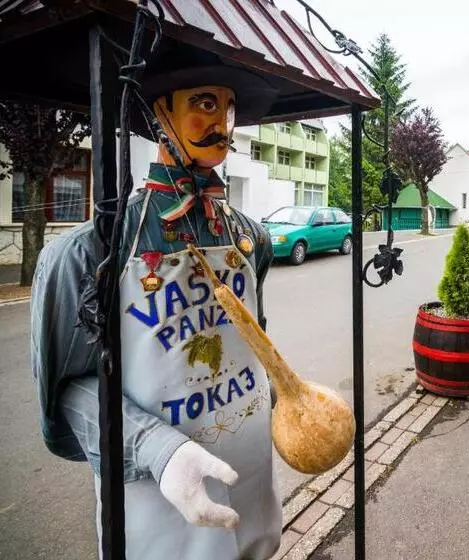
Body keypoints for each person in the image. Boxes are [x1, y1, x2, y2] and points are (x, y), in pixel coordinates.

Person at [31, 52, 283, 559]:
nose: (222, 124)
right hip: (159, 514)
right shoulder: (91, 251)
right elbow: (65, 395)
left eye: (229, 110)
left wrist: (287, 394)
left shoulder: (250, 236)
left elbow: (254, 343)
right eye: (205, 104)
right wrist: (157, 449)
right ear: (159, 113)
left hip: (254, 490)